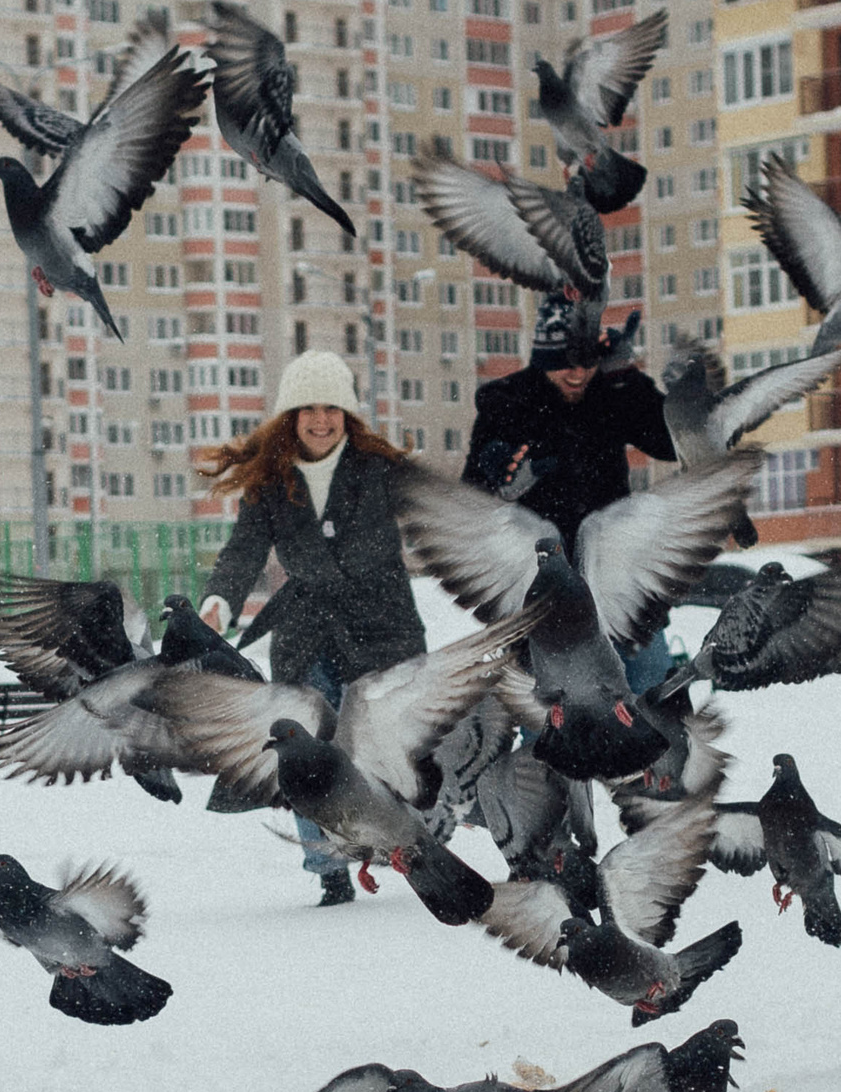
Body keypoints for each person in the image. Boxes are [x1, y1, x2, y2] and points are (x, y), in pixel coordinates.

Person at [197, 351, 425, 907]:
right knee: (304, 749)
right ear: (290, 416)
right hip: (305, 630)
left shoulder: (380, 471)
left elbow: (439, 516)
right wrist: (219, 602)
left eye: (332, 408)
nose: (321, 421)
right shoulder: (271, 481)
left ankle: (409, 848)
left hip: (380, 625)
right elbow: (244, 549)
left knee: (384, 745)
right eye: (308, 410)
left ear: (347, 414)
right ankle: (328, 869)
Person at [462, 297, 678, 692]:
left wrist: (625, 376)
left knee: (656, 714)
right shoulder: (507, 404)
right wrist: (495, 478)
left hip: (619, 588)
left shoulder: (611, 393)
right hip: (544, 605)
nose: (578, 374)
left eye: (587, 362)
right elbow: (469, 503)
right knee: (552, 730)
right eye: (564, 363)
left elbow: (671, 442)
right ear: (542, 358)